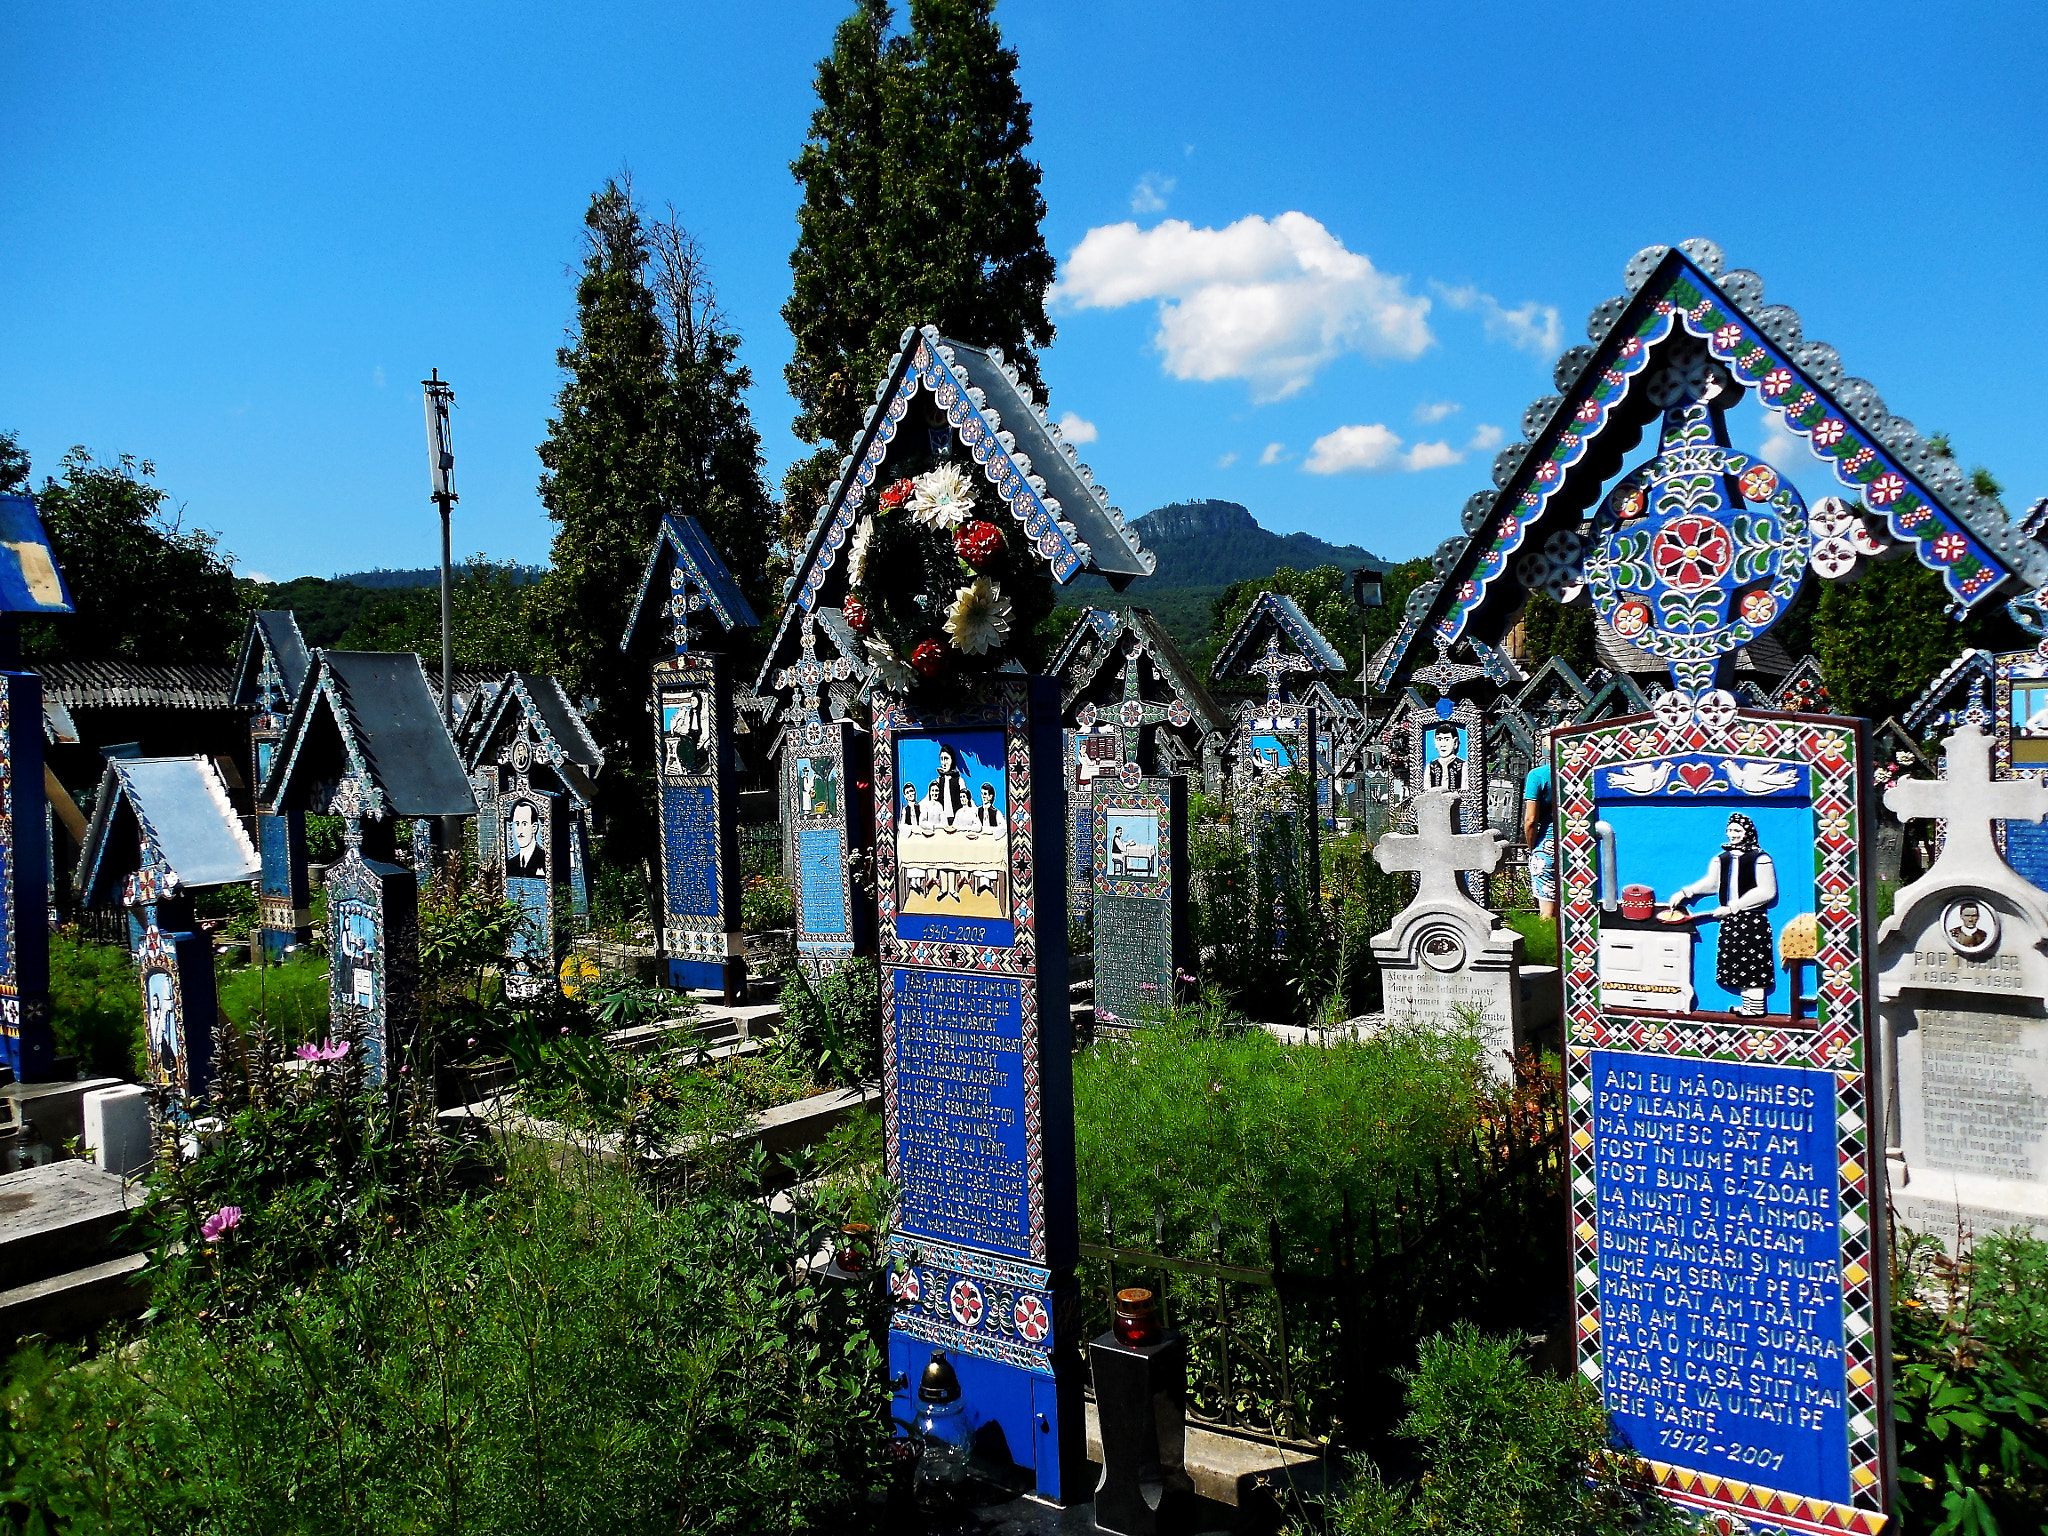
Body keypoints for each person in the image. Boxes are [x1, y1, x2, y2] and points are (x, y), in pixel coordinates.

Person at [1664, 813, 1778, 1016]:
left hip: (1752, 920)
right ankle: (1748, 1007)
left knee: (1753, 964)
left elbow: (1767, 891)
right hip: (1731, 921)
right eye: (1730, 830)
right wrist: (1685, 893)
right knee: (1738, 964)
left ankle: (1756, 1009)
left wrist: (1735, 906)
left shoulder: (1761, 858)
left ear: (1747, 832)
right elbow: (1711, 883)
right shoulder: (1722, 859)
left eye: (1738, 830)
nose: (1733, 834)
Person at [1521, 740, 1557, 921]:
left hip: (1547, 847)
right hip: (1579, 845)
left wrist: (1531, 846)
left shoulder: (1538, 776)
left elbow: (1531, 820)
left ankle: (1550, 949)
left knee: (1548, 915)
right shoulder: (1583, 773)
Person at [505, 800, 547, 879]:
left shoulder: (544, 859)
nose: (520, 831)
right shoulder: (510, 863)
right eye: (517, 824)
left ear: (534, 828)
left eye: (524, 824)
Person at [1424, 725, 1464, 791]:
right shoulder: (1431, 766)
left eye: (1447, 739)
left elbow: (1466, 790)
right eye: (1439, 739)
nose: (1443, 744)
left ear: (1455, 742)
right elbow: (1426, 790)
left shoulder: (1462, 766)